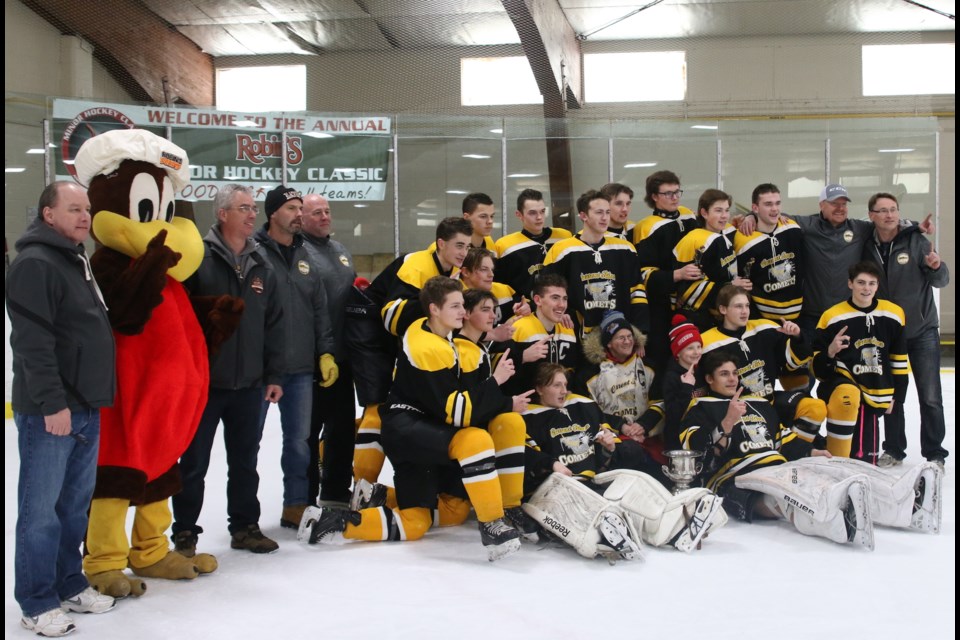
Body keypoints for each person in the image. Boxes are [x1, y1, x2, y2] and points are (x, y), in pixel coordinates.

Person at [299, 277, 528, 561]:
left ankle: (332, 521)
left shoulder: (441, 336)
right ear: (434, 309)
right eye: (456, 306)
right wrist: (496, 382)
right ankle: (493, 523)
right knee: (475, 440)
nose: (463, 312)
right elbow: (458, 413)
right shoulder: (427, 346)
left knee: (420, 521)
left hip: (424, 433)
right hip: (409, 433)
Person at [680, 351, 940, 549]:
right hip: (736, 477)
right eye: (724, 374)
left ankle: (905, 507)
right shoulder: (700, 408)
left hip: (778, 465)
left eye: (735, 373)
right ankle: (838, 524)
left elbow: (781, 439)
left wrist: (811, 452)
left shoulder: (758, 403)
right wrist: (727, 422)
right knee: (791, 492)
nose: (732, 379)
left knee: (840, 468)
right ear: (709, 378)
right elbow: (699, 453)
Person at [8, 181, 117, 637]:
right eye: (73, 208)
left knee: (74, 507)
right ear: (48, 214)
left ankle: (69, 581)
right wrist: (54, 404)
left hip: (85, 406)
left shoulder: (74, 259)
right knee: (41, 511)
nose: (84, 216)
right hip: (53, 411)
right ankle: (36, 600)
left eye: (86, 209)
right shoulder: (35, 264)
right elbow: (33, 345)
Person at [172, 184, 285, 555]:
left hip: (250, 385)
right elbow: (178, 319)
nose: (253, 215)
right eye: (244, 208)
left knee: (245, 463)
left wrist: (273, 375)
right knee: (193, 464)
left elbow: (274, 324)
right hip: (204, 384)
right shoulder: (197, 258)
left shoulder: (261, 263)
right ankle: (185, 532)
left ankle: (245, 527)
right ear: (222, 214)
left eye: (253, 208)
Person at [520, 363, 726, 559]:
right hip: (556, 489)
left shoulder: (581, 408)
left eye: (565, 384)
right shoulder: (527, 418)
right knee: (600, 512)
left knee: (632, 483)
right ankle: (606, 536)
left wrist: (608, 448)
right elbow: (525, 454)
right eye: (557, 385)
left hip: (591, 483)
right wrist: (551, 464)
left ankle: (675, 526)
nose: (564, 390)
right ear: (539, 388)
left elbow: (599, 457)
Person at [255, 185, 337, 528]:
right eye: (292, 208)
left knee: (299, 442)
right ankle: (244, 515)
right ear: (273, 213)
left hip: (301, 365)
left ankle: (296, 505)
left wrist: (326, 351)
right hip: (259, 367)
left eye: (301, 208)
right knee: (248, 444)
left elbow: (319, 309)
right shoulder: (254, 252)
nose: (299, 214)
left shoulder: (306, 256)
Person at [863, 193, 949, 469]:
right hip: (887, 333)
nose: (890, 215)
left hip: (922, 330)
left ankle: (935, 452)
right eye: (883, 211)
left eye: (893, 210)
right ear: (872, 216)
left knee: (930, 396)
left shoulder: (916, 240)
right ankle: (894, 449)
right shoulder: (866, 244)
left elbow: (941, 280)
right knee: (892, 395)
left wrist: (937, 267)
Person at [700, 284, 825, 443]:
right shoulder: (706, 343)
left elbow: (793, 362)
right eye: (738, 306)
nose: (745, 311)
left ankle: (794, 452)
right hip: (736, 412)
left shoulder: (765, 328)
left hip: (769, 402)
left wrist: (797, 337)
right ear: (723, 309)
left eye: (747, 306)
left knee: (815, 408)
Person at [812, 262, 909, 463]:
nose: (866, 288)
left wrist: (897, 397)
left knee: (865, 461)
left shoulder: (893, 314)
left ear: (877, 285)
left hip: (877, 389)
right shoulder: (832, 317)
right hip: (843, 385)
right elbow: (819, 370)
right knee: (849, 398)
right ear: (850, 284)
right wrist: (830, 351)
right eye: (861, 282)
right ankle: (836, 458)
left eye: (871, 283)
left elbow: (898, 360)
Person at [301, 193, 359, 506]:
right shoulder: (299, 251)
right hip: (312, 359)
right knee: (309, 432)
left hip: (343, 356)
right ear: (302, 218)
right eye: (316, 212)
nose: (324, 217)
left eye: (327, 211)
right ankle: (305, 496)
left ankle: (336, 489)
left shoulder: (339, 250)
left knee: (341, 429)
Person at [542, 189, 648, 338]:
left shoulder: (626, 249)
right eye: (599, 212)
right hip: (577, 334)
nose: (605, 218)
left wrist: (639, 331)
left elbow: (637, 291)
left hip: (619, 336)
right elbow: (546, 290)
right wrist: (561, 312)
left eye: (607, 212)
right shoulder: (562, 250)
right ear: (583, 215)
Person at [631, 170, 700, 375]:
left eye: (677, 192)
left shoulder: (688, 215)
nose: (675, 197)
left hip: (692, 300)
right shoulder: (645, 228)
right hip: (660, 308)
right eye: (668, 193)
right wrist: (676, 276)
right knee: (664, 361)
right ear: (654, 197)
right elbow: (643, 274)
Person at [582, 310, 666, 473]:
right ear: (609, 343)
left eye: (629, 336)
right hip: (613, 442)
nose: (627, 341)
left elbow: (660, 402)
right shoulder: (590, 376)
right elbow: (591, 413)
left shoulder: (650, 367)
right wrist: (621, 427)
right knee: (629, 451)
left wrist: (643, 425)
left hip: (647, 438)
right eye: (621, 338)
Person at [672, 188, 751, 330]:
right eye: (718, 210)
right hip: (700, 321)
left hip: (726, 317)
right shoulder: (694, 240)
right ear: (704, 213)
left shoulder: (726, 231)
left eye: (727, 210)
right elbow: (689, 291)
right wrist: (731, 285)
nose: (724, 216)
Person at [734, 183, 805, 322]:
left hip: (797, 316)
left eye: (777, 203)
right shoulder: (742, 239)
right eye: (768, 204)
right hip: (760, 319)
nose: (774, 209)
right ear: (755, 208)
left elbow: (803, 267)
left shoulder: (792, 229)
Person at [504, 273, 580, 395]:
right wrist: (522, 357)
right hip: (525, 403)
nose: (561, 304)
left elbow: (571, 371)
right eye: (555, 298)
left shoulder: (567, 328)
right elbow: (497, 371)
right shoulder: (518, 328)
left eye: (564, 299)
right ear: (538, 300)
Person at [494, 188, 572, 301]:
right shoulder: (505, 246)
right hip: (526, 312)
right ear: (519, 214)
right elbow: (501, 287)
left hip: (561, 309)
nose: (539, 217)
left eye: (542, 211)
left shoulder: (563, 237)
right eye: (532, 213)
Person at [459, 247, 530, 334]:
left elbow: (529, 304)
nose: (491, 275)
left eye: (492, 269)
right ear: (466, 272)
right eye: (484, 269)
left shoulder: (503, 289)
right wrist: (494, 334)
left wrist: (526, 307)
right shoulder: (454, 296)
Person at [661, 315, 705, 450]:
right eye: (690, 348)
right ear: (678, 352)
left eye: (699, 346)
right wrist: (686, 387)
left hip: (701, 436)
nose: (697, 352)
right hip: (678, 442)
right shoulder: (671, 377)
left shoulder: (703, 372)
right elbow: (673, 416)